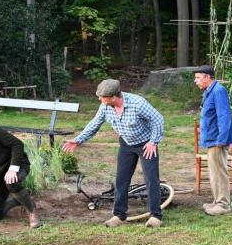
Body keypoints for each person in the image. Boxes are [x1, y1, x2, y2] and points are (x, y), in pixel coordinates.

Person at [62, 79, 164, 228]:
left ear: (113, 97)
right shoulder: (105, 107)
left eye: (102, 97)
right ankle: (119, 215)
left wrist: (153, 142)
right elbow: (94, 124)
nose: (99, 99)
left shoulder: (138, 103)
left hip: (146, 144)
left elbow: (158, 119)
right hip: (126, 144)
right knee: (121, 180)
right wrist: (78, 140)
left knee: (151, 178)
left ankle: (155, 216)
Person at [193, 65, 232, 215]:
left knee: (219, 171)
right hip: (211, 139)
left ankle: (223, 204)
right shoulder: (208, 92)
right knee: (214, 172)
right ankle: (217, 201)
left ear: (207, 77)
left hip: (217, 139)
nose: (195, 81)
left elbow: (224, 116)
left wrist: (221, 139)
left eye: (198, 77)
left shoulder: (218, 91)